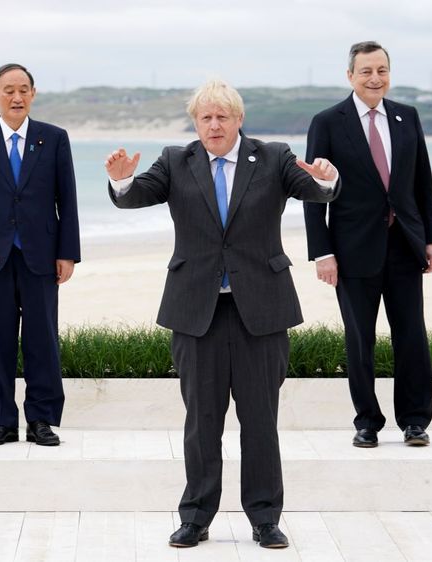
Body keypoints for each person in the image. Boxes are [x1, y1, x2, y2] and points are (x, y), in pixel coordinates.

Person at [106, 79, 340, 549]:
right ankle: (195, 516)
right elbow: (135, 197)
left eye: (222, 117)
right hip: (197, 310)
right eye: (205, 117)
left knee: (260, 420)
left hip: (262, 310)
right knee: (202, 421)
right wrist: (121, 180)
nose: (213, 125)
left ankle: (264, 518)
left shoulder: (273, 156)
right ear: (196, 122)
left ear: (239, 119)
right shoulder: (176, 160)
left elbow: (315, 192)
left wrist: (326, 178)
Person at [304, 41, 432, 449]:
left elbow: (423, 182)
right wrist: (322, 251)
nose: (374, 78)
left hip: (405, 245)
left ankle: (415, 421)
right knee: (360, 340)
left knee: (412, 337)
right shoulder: (328, 122)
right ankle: (367, 422)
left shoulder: (406, 117)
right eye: (366, 71)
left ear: (389, 73)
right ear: (350, 76)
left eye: (381, 70)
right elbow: (314, 190)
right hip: (352, 250)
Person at [0, 63, 80, 447]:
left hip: (41, 254)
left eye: (24, 89)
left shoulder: (54, 139)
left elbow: (67, 199)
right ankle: (2, 421)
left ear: (33, 94)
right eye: (8, 90)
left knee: (42, 340)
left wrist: (68, 253)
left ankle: (41, 419)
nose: (17, 97)